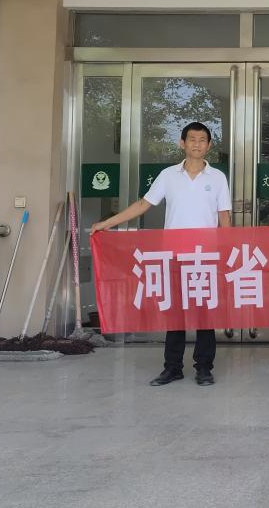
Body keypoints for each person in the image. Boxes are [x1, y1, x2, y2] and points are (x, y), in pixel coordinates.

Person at [91, 122, 231, 387]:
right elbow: (143, 204)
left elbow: (224, 217)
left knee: (205, 314)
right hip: (174, 256)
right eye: (192, 139)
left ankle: (204, 368)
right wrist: (107, 223)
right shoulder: (168, 175)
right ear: (182, 143)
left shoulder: (217, 178)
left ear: (209, 145)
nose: (197, 144)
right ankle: (172, 367)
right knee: (175, 313)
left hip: (205, 258)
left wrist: (226, 251)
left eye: (202, 139)